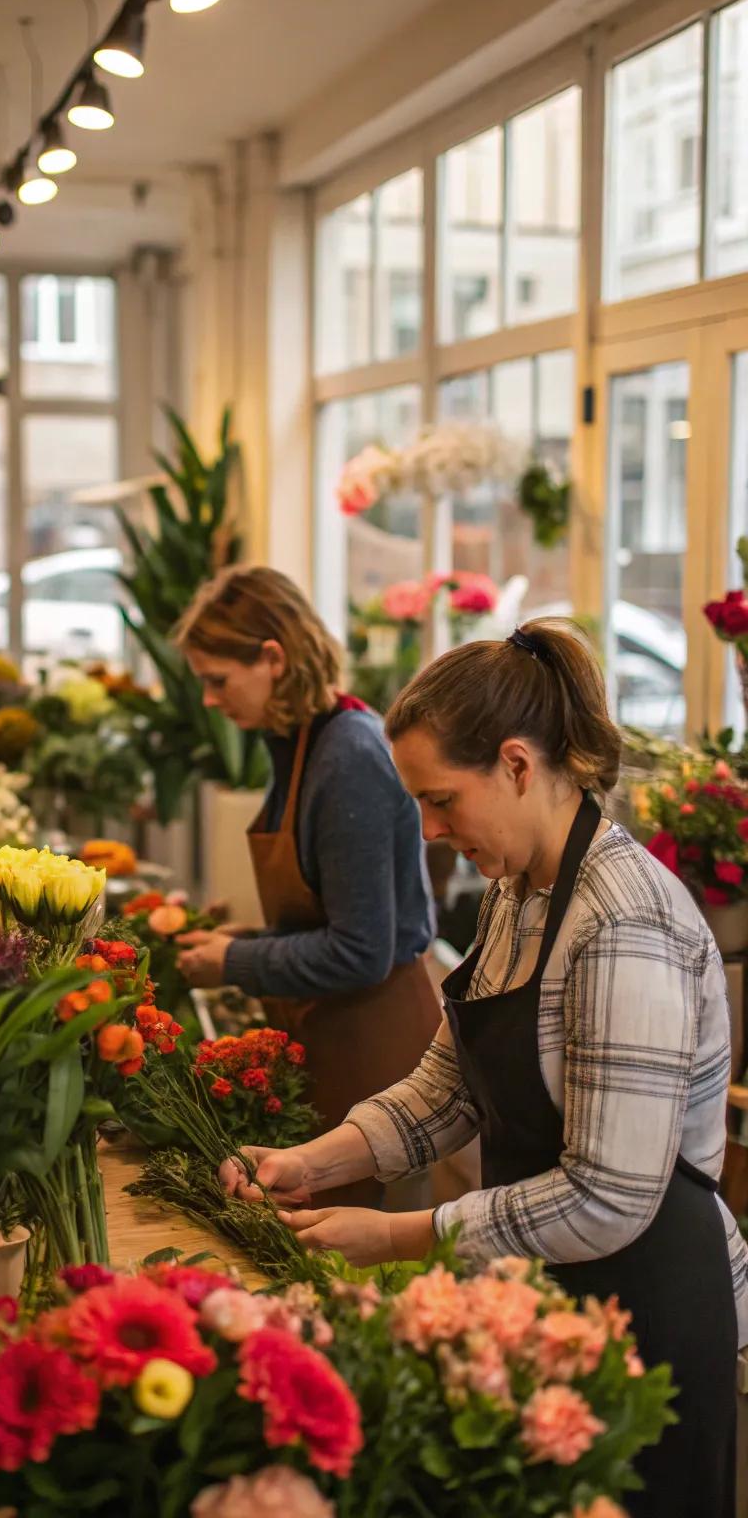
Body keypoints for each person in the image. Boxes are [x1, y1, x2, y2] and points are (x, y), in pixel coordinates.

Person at [219, 620, 746, 1518]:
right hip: (553, 1293)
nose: (426, 829)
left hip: (648, 1305)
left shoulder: (622, 922)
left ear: (515, 765)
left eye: (440, 800)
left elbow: (610, 1197)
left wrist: (397, 1236)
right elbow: (449, 1086)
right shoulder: (519, 892)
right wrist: (313, 1162)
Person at [174, 565, 441, 1206]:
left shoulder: (348, 756)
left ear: (273, 656)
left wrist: (235, 960)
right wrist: (254, 938)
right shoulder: (298, 742)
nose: (210, 700)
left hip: (374, 1052)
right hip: (334, 1039)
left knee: (372, 1275)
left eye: (218, 680)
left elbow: (359, 949)